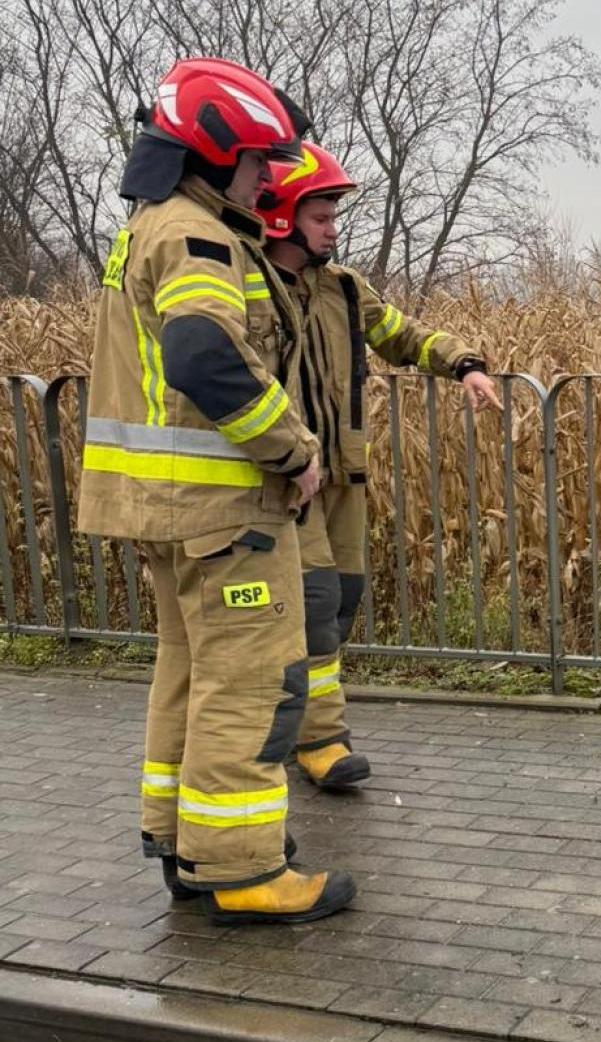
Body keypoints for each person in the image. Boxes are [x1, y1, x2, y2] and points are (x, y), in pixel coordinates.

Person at [76, 58, 355, 924]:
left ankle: (182, 841)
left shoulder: (147, 226)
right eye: (260, 159)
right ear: (216, 151)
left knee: (188, 677)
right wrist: (295, 447)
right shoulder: (198, 237)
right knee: (252, 685)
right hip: (224, 516)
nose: (269, 175)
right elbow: (205, 355)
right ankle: (241, 869)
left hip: (168, 513)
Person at [256, 142, 498, 790]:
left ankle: (296, 730)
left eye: (334, 213)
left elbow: (402, 333)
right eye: (321, 214)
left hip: (343, 479)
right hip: (284, 481)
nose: (334, 226)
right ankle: (320, 741)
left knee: (340, 607)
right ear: (280, 214)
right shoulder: (249, 289)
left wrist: (464, 364)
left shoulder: (343, 289)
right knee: (312, 604)